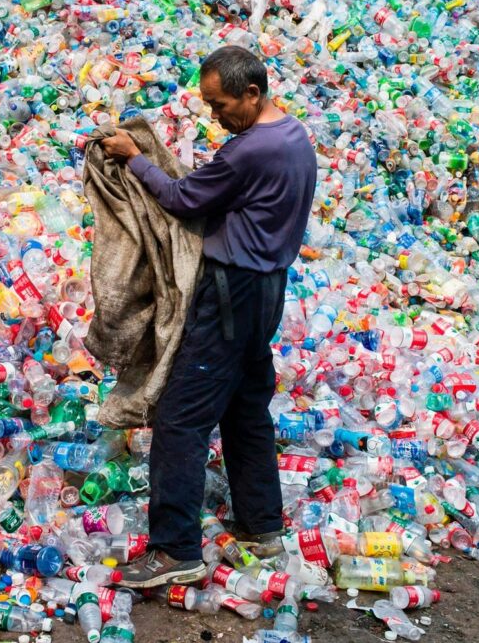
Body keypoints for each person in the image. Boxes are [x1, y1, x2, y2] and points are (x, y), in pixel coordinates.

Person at [98, 45, 318, 588]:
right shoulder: (294, 136)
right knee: (246, 410)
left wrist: (135, 156)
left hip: (229, 294)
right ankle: (262, 527)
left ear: (252, 92)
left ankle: (175, 551)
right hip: (268, 289)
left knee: (181, 418)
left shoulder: (249, 151)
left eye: (222, 105)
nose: (215, 116)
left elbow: (180, 198)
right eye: (209, 105)